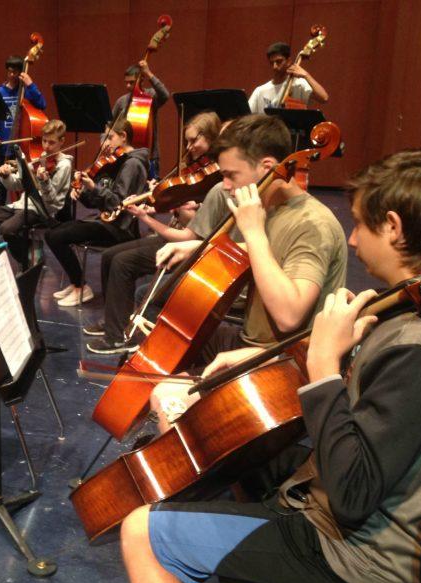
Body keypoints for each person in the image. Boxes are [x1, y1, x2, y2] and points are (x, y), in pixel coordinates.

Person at [120, 148, 421, 583]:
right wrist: (265, 357)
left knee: (141, 534)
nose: (354, 240)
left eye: (360, 226)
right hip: (374, 518)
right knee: (243, 450)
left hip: (363, 554)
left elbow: (355, 493)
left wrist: (324, 368)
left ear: (395, 226)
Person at [148, 114, 346, 430]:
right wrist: (194, 248)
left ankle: (186, 467)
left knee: (167, 396)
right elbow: (266, 257)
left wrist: (253, 231)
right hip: (250, 340)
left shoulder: (312, 225)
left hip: (282, 363)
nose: (225, 186)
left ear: (267, 168)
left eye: (230, 175)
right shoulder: (268, 205)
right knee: (161, 348)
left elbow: (289, 315)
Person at [84, 112, 223, 354]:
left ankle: (117, 338)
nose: (189, 148)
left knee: (122, 262)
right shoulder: (199, 172)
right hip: (173, 233)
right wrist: (156, 205)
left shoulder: (217, 180)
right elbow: (183, 210)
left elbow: (193, 229)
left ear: (211, 137)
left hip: (187, 245)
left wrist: (149, 215)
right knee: (109, 257)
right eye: (187, 141)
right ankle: (114, 320)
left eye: (193, 141)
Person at [47, 119, 149, 307]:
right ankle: (76, 282)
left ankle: (81, 286)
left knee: (55, 236)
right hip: (105, 221)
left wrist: (93, 187)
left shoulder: (133, 164)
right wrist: (83, 192)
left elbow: (119, 203)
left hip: (119, 228)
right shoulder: (117, 162)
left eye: (110, 137)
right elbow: (99, 201)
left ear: (123, 137)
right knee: (53, 232)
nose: (106, 143)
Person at [0, 119, 72, 267]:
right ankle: (29, 247)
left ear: (62, 141)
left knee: (6, 229)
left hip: (42, 209)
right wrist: (6, 176)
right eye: (44, 141)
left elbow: (51, 199)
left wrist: (44, 181)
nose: (46, 147)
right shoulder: (40, 158)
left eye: (52, 142)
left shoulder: (64, 165)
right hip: (22, 204)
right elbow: (17, 184)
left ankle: (27, 261)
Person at [0, 55, 47, 166]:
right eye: (9, 72)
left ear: (21, 73)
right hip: (5, 146)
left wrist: (30, 85)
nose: (12, 75)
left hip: (24, 147)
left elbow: (42, 104)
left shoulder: (26, 91)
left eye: (15, 72)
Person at [112, 61, 170, 179]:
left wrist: (149, 73)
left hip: (150, 156)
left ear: (141, 80)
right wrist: (107, 143)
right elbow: (109, 126)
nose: (128, 86)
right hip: (125, 155)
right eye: (126, 83)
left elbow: (165, 95)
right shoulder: (121, 102)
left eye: (131, 82)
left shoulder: (151, 96)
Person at [248, 41, 329, 114]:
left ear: (289, 61)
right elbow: (245, 117)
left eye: (279, 61)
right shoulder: (260, 91)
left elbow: (324, 98)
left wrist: (306, 75)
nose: (274, 66)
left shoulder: (299, 85)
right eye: (272, 63)